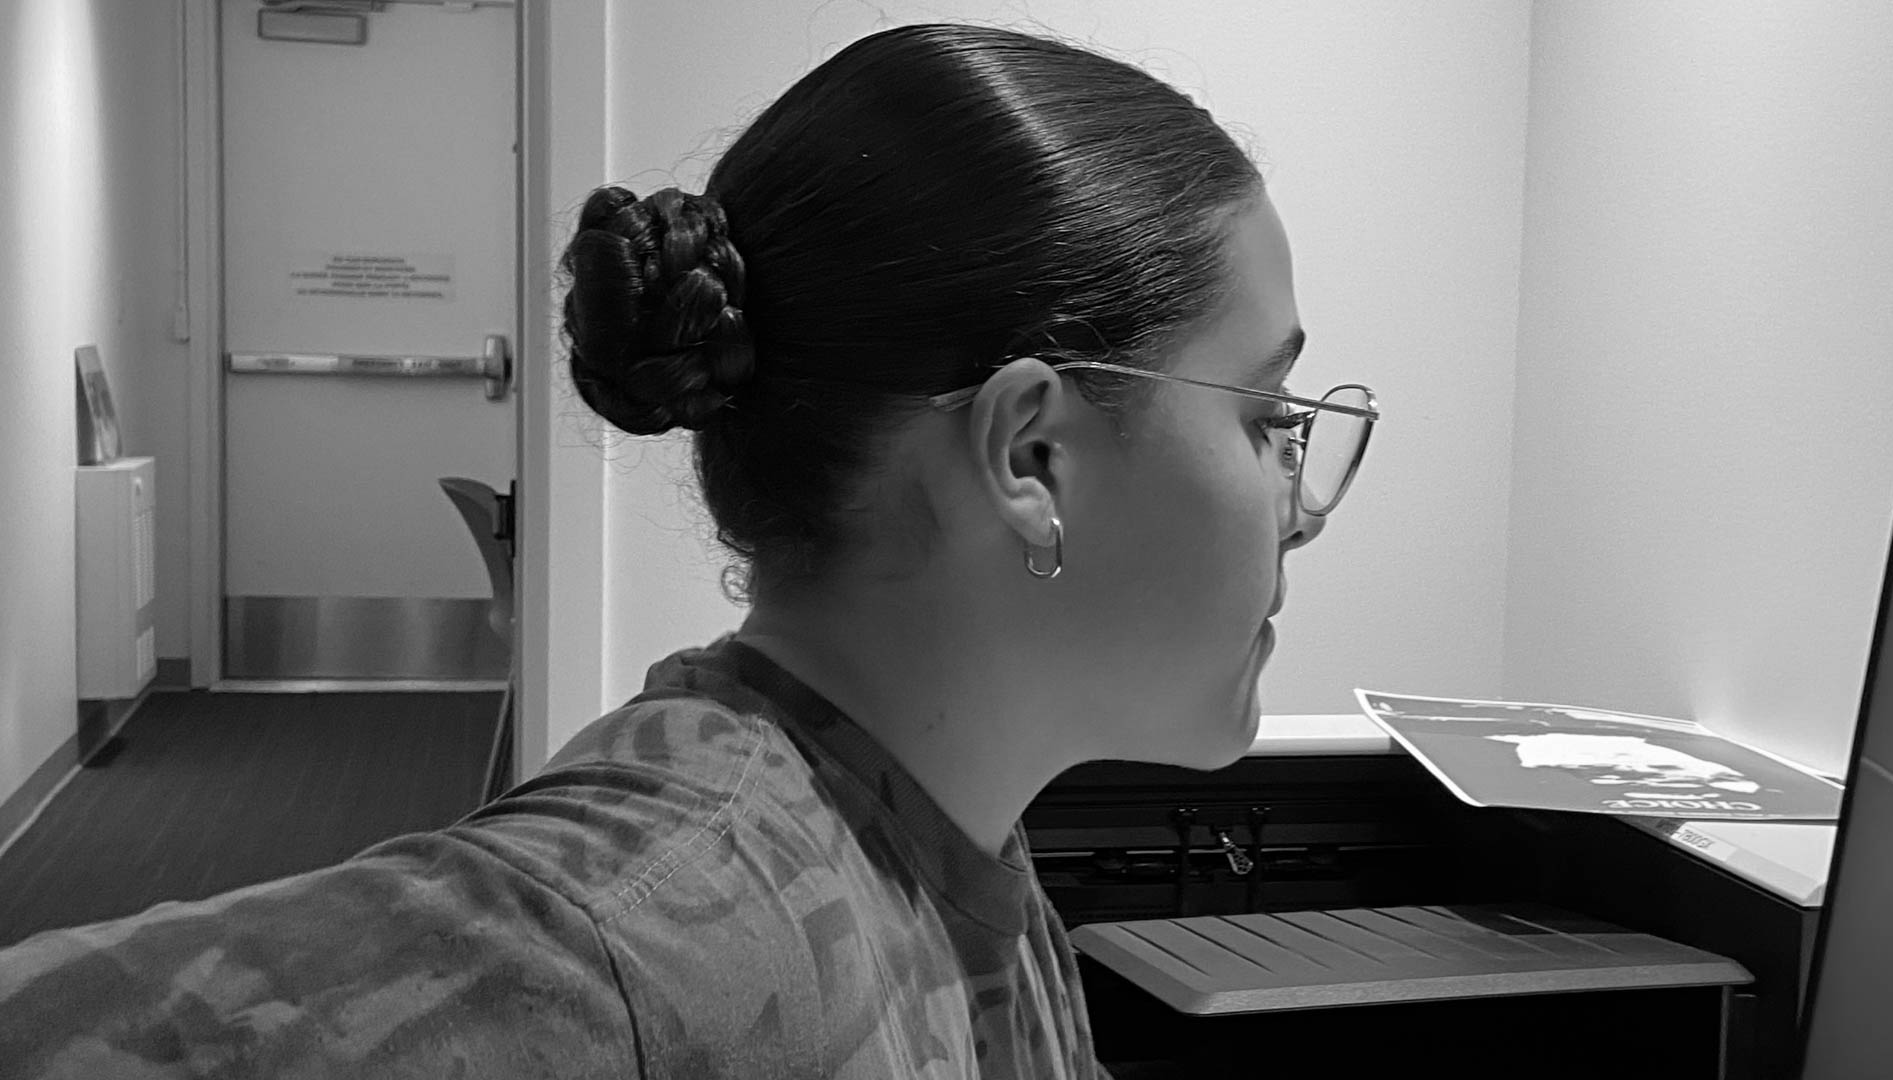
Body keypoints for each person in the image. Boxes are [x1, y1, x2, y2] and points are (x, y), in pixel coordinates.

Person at [0, 21, 1374, 1078]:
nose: (1303, 505)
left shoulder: (948, 839)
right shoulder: (660, 931)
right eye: (1268, 417)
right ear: (1033, 457)